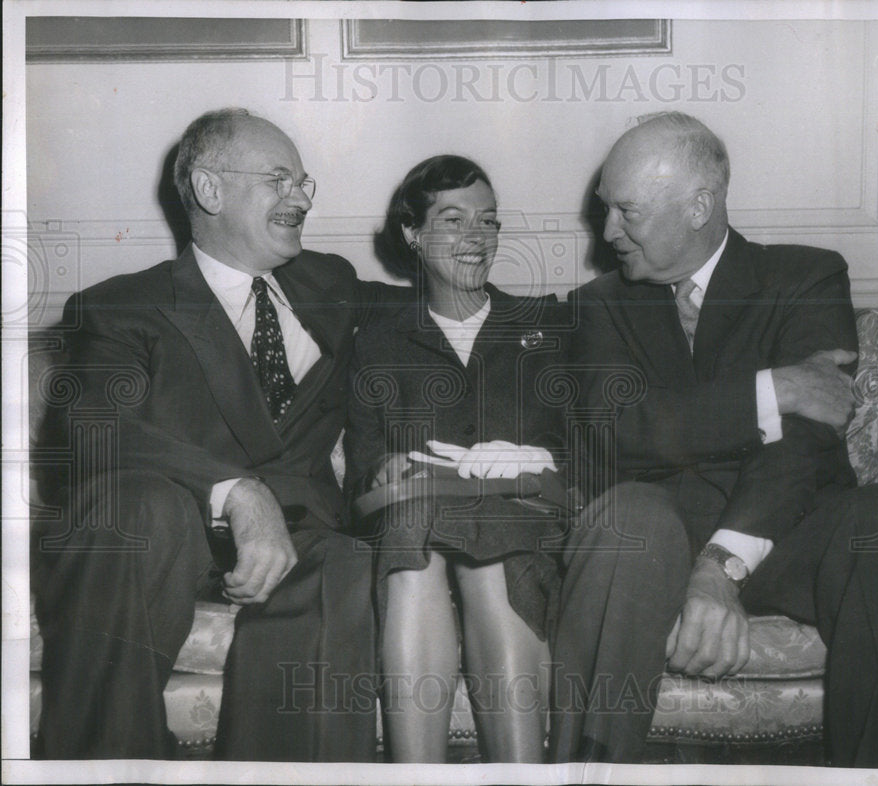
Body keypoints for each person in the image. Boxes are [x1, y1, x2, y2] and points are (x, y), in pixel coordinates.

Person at [549, 112, 878, 767]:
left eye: (627, 211)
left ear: (699, 205)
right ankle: (590, 772)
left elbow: (801, 445)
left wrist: (721, 569)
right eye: (605, 210)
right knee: (629, 517)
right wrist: (773, 389)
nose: (607, 231)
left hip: (787, 529)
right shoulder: (597, 306)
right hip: (653, 539)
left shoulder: (805, 278)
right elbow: (614, 433)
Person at [32, 108, 388, 760]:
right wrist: (234, 492)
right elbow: (94, 427)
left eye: (305, 181)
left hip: (299, 536)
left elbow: (433, 314)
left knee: (341, 565)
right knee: (138, 511)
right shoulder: (123, 306)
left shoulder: (329, 282)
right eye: (280, 179)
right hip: (159, 533)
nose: (304, 196)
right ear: (209, 189)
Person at [345, 155, 567, 763]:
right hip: (416, 541)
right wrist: (381, 472)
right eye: (452, 220)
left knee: (493, 532)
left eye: (489, 221)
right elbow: (360, 480)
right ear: (412, 235)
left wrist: (532, 459)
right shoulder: (378, 345)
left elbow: (599, 454)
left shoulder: (550, 326)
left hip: (528, 533)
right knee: (411, 525)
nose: (476, 237)